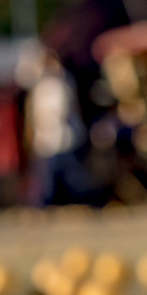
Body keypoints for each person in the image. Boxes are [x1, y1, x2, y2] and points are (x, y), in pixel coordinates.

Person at [16, 41, 95, 206]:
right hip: (46, 139)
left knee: (71, 175)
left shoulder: (64, 82)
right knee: (47, 177)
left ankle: (81, 200)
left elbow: (63, 111)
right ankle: (45, 203)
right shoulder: (40, 86)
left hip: (65, 136)